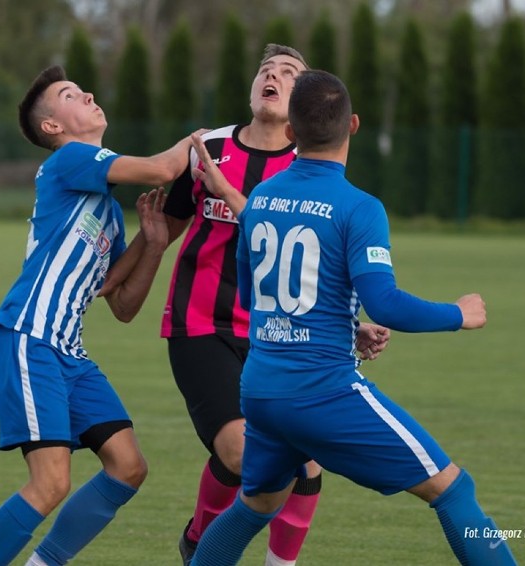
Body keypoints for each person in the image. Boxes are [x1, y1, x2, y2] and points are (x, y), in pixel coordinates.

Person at [186, 70, 518, 565]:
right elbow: (384, 303)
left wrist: (346, 325)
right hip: (323, 391)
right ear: (354, 125)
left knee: (255, 506)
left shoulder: (259, 202)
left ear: (292, 133)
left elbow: (260, 298)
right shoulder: (359, 207)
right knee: (453, 491)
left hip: (261, 390)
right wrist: (459, 314)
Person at [101, 44, 390, 566]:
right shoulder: (208, 148)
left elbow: (319, 267)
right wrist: (113, 277)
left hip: (278, 337)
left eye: (288, 73)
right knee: (239, 452)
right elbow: (163, 227)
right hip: (200, 325)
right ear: (253, 88)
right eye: (266, 71)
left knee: (306, 463)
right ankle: (200, 541)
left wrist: (351, 326)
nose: (273, 78)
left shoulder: (311, 169)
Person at [0, 65, 199, 566]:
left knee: (127, 467)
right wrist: (203, 141)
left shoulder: (110, 213)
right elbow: (162, 170)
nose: (89, 93)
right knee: (50, 482)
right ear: (53, 127)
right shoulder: (68, 160)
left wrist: (153, 245)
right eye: (71, 94)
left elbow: (120, 302)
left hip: (67, 350)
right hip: (29, 335)